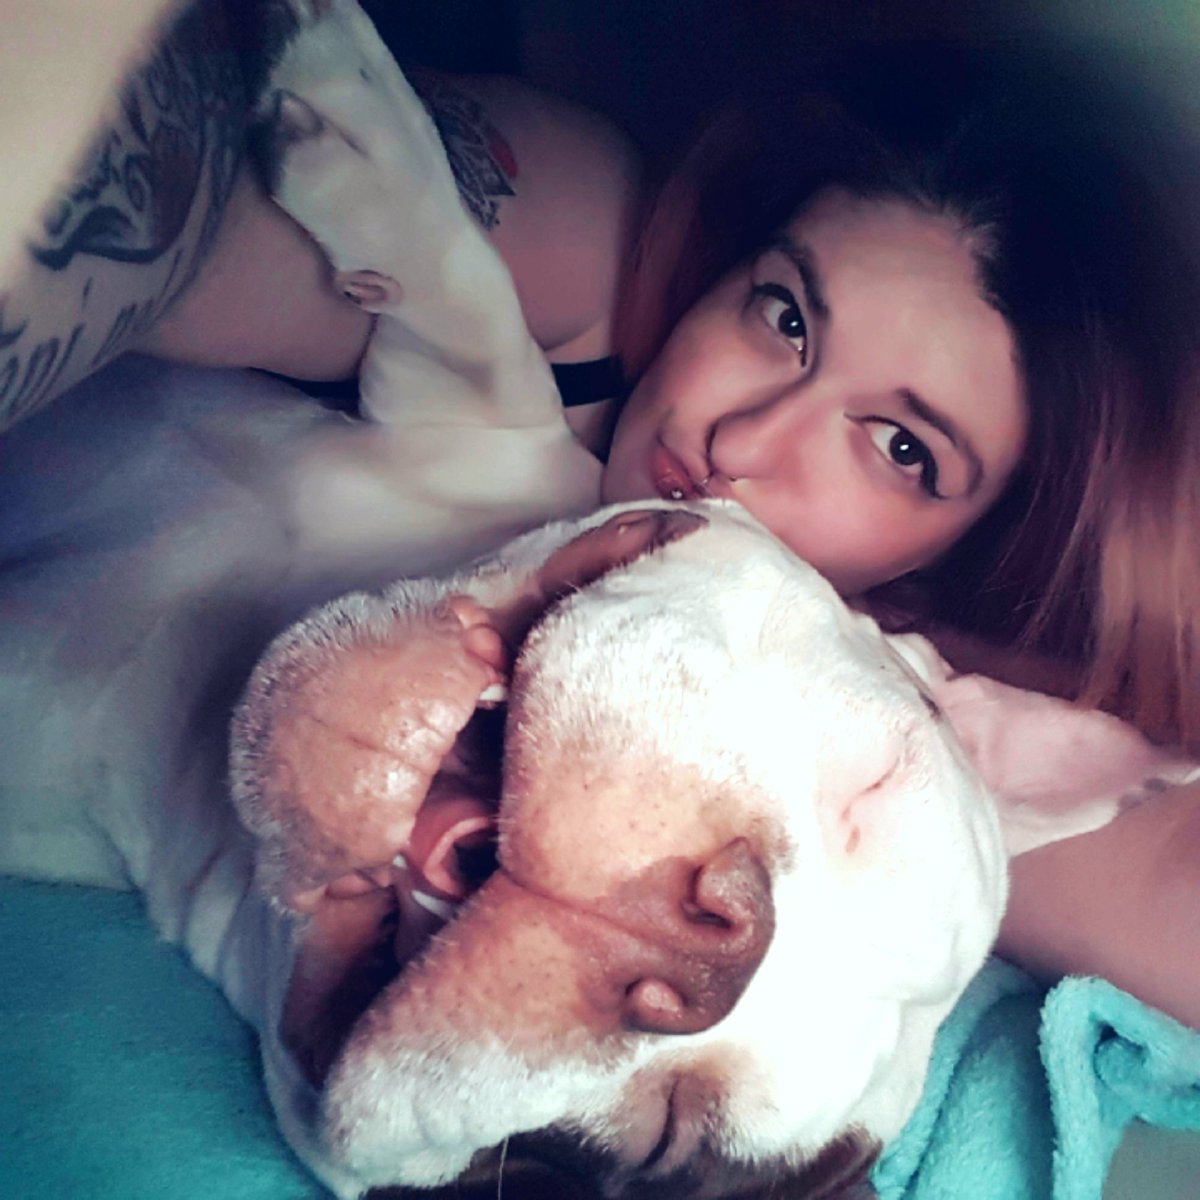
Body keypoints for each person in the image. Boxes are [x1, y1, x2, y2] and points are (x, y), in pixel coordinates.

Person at [4, 2, 1200, 1030]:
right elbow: (155, 216)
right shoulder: (595, 258)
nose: (741, 442)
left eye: (899, 448)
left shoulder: (863, 706)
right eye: (784, 316)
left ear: (952, 562)